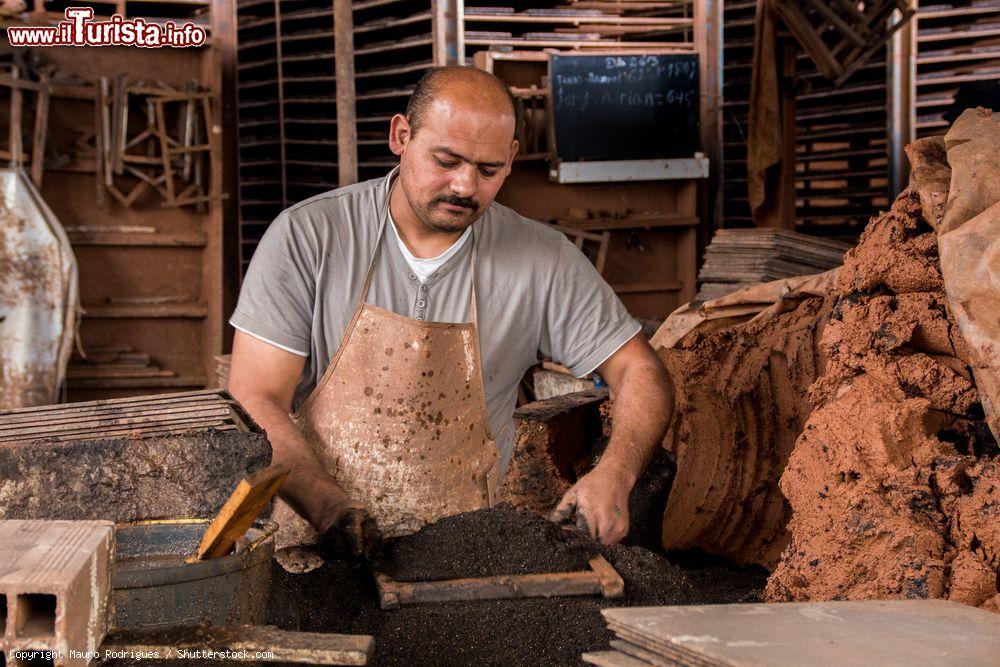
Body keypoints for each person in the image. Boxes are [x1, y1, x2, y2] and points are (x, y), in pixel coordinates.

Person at [228, 66, 674, 565]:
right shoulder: (309, 236)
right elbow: (255, 395)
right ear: (401, 136)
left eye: (487, 171)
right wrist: (329, 508)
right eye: (446, 161)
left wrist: (616, 471)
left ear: (510, 159)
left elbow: (641, 372)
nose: (464, 186)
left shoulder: (542, 259)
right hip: (315, 549)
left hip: (465, 553)